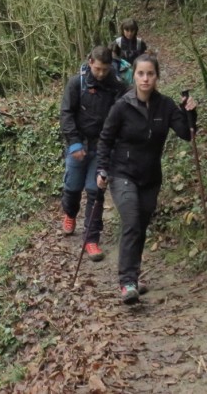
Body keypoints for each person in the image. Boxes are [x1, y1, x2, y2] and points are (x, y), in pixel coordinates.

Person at [96, 54, 197, 304]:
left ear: (157, 77)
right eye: (141, 73)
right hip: (122, 173)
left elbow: (186, 134)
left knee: (140, 226)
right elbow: (106, 139)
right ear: (135, 76)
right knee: (131, 221)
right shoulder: (122, 106)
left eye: (150, 74)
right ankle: (127, 282)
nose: (145, 78)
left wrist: (190, 113)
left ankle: (134, 276)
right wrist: (101, 170)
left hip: (151, 177)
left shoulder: (165, 105)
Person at [58, 45, 127, 261]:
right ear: (90, 63)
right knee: (72, 187)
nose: (100, 74)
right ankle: (70, 214)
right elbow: (66, 113)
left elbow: (125, 114)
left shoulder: (117, 87)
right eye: (97, 69)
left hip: (102, 146)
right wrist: (74, 142)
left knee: (95, 191)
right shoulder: (76, 83)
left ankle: (91, 239)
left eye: (105, 70)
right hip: (78, 144)